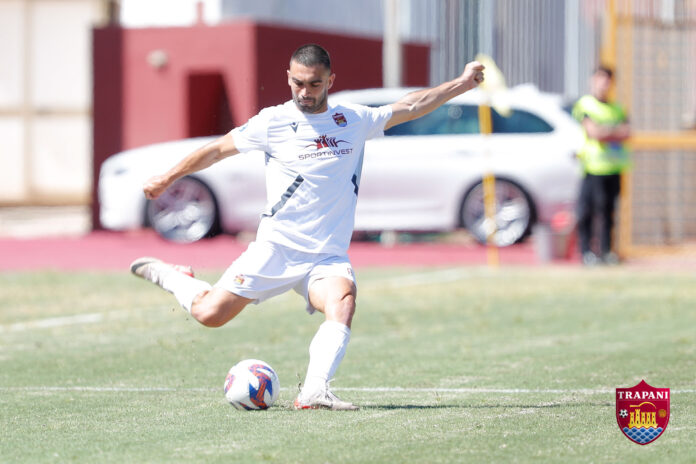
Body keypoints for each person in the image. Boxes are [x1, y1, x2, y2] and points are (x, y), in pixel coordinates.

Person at [130, 44, 484, 410]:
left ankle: (315, 389)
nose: (304, 92)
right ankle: (172, 277)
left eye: (314, 84)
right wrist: (168, 176)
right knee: (209, 315)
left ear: (330, 81)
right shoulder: (272, 122)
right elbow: (218, 149)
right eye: (298, 83)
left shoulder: (353, 119)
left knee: (343, 300)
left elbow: (411, 105)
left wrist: (461, 84)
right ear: (288, 77)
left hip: (326, 256)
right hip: (277, 249)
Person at [572, 66, 630, 266]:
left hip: (613, 168)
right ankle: (587, 252)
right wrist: (611, 131)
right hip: (592, 168)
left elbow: (627, 132)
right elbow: (593, 132)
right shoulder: (586, 104)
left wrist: (606, 131)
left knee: (608, 213)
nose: (604, 84)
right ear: (593, 80)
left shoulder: (617, 108)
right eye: (600, 79)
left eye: (607, 80)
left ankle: (606, 252)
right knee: (587, 211)